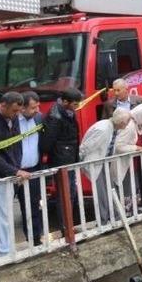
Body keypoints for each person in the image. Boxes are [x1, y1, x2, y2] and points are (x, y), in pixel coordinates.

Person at [0, 92, 32, 256]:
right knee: (1, 217)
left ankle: (3, 249)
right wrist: (15, 170)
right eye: (14, 111)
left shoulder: (13, 118)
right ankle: (4, 252)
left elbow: (16, 146)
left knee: (4, 215)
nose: (17, 115)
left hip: (10, 174)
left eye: (18, 111)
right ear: (3, 105)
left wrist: (16, 167)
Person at [79, 108, 131, 224]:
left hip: (104, 162)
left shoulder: (112, 128)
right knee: (101, 192)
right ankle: (103, 220)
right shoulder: (103, 129)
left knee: (109, 189)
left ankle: (114, 216)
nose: (128, 124)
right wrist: (81, 159)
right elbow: (87, 146)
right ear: (121, 122)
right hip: (95, 163)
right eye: (127, 122)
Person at [41, 87, 83, 228]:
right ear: (65, 102)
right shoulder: (56, 117)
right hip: (61, 160)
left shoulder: (67, 112)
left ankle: (69, 225)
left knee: (70, 193)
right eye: (75, 104)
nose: (77, 107)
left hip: (69, 157)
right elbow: (47, 142)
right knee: (65, 195)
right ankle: (66, 227)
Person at [115, 103, 142, 214]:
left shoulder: (140, 124)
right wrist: (138, 148)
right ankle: (126, 212)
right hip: (126, 163)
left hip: (135, 163)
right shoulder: (129, 126)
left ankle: (135, 209)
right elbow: (119, 146)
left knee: (135, 186)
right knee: (127, 187)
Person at [17, 91, 43, 246]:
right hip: (14, 172)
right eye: (33, 108)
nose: (37, 111)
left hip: (32, 170)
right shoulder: (12, 122)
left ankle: (34, 240)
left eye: (37, 107)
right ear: (22, 108)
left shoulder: (39, 119)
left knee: (33, 206)